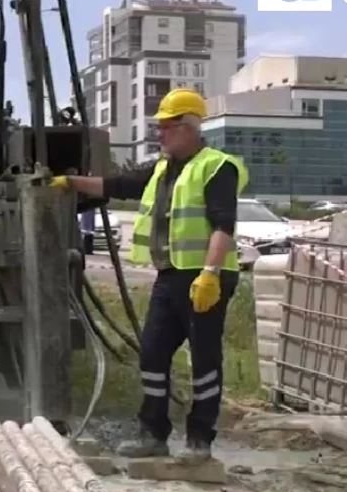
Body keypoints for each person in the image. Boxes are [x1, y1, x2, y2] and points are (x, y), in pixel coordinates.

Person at [52, 88, 248, 464]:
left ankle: (199, 440)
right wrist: (72, 182)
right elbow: (116, 185)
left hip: (205, 277)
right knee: (154, 352)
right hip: (170, 275)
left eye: (166, 127)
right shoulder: (161, 170)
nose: (159, 134)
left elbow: (224, 224)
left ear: (189, 127)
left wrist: (209, 273)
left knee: (204, 358)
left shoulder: (216, 166)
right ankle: (153, 432)